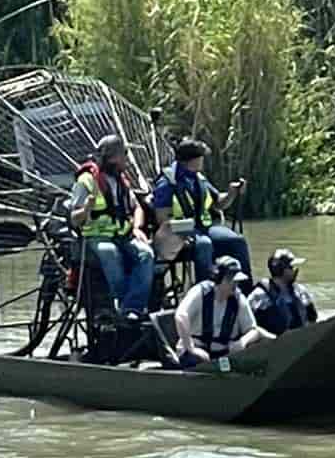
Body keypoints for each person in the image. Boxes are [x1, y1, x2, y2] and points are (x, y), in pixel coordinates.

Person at [67, 134, 153, 317]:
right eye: (124, 156)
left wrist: (137, 227)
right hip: (96, 236)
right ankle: (120, 302)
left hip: (123, 234)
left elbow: (136, 207)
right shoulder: (87, 181)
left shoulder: (122, 181)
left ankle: (133, 307)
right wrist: (86, 209)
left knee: (146, 254)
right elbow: (74, 219)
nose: (126, 160)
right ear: (113, 158)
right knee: (110, 253)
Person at [150, 139, 251, 280]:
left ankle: (244, 290)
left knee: (237, 241)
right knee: (204, 244)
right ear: (192, 160)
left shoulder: (199, 178)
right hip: (182, 233)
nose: (203, 161)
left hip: (204, 227)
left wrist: (232, 193)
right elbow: (162, 219)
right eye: (201, 157)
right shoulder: (166, 184)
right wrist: (183, 233)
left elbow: (219, 204)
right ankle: (205, 291)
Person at [173, 255, 271, 367]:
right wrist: (191, 348)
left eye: (237, 281)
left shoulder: (238, 298)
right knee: (196, 361)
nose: (236, 284)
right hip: (196, 352)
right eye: (231, 280)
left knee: (250, 359)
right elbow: (180, 316)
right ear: (219, 278)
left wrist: (242, 342)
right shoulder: (200, 292)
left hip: (222, 354)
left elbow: (253, 330)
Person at [249, 248, 318, 336]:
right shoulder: (259, 296)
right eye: (291, 267)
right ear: (280, 269)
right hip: (274, 344)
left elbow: (312, 319)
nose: (295, 270)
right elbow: (250, 327)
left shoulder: (301, 291)